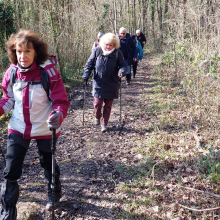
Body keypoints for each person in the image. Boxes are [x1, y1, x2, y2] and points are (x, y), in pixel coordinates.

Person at [0, 29, 70, 220]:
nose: (22, 56)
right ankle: (7, 214)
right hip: (18, 127)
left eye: (27, 51)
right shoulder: (12, 72)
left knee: (47, 163)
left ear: (36, 52)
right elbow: (8, 100)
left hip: (45, 127)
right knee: (11, 171)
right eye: (19, 51)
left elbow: (61, 101)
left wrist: (58, 114)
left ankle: (54, 193)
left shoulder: (48, 72)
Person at [83, 33, 126, 132]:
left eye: (111, 45)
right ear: (103, 43)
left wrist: (121, 72)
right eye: (107, 44)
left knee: (108, 105)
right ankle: (97, 116)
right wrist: (86, 75)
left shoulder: (117, 53)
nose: (108, 47)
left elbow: (123, 66)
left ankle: (104, 123)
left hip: (112, 82)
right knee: (97, 103)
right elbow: (89, 64)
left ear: (114, 45)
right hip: (98, 82)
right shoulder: (97, 51)